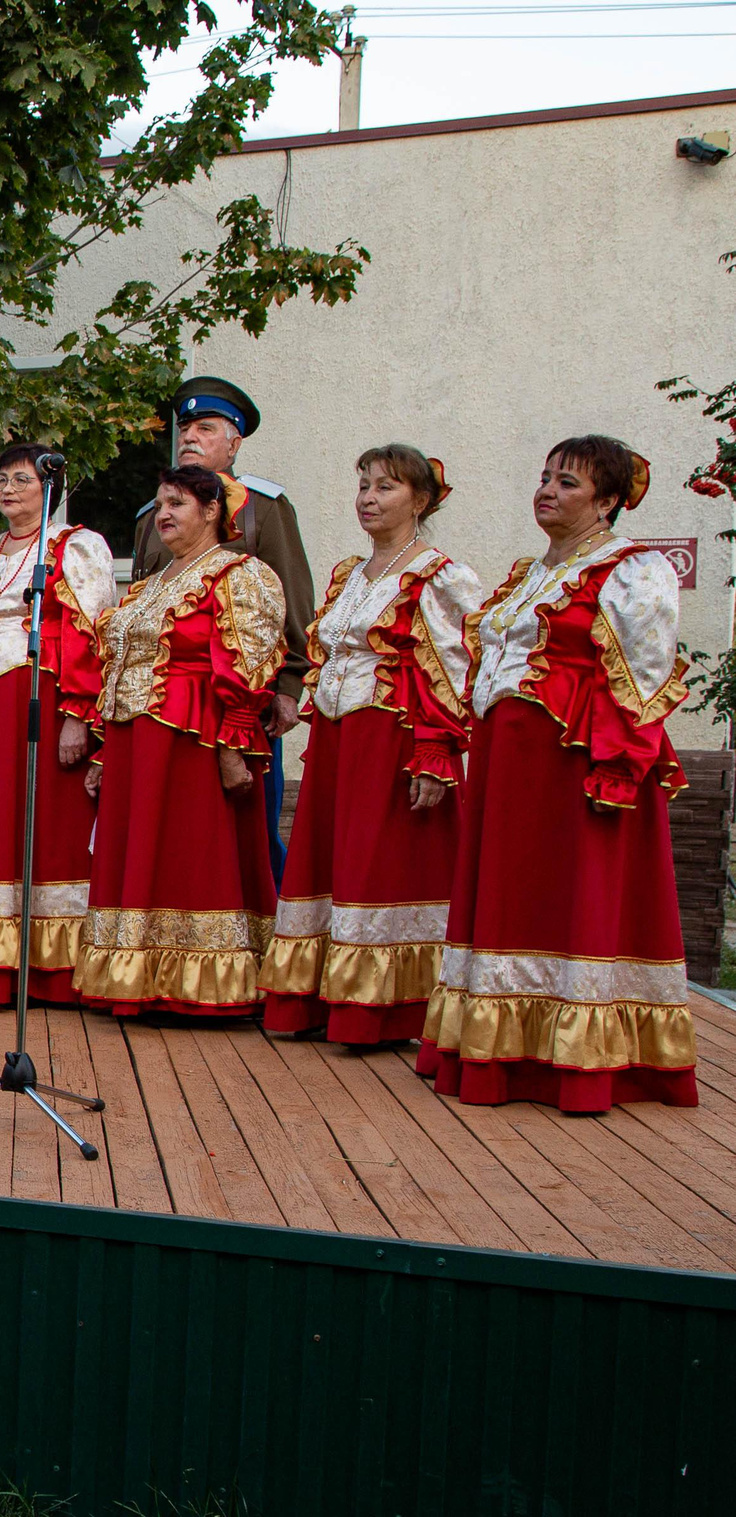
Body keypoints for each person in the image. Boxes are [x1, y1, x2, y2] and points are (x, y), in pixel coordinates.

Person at [421, 437, 696, 1111]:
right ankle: (501, 1048)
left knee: (576, 902)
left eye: (567, 483)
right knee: (513, 900)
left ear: (606, 501)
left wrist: (620, 770)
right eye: (545, 478)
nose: (547, 490)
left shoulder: (633, 570)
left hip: (574, 764)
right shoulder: (528, 574)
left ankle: (574, 1058)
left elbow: (645, 676)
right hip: (509, 769)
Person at [261, 448, 482, 1045]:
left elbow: (451, 668)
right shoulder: (350, 574)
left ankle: (382, 1010)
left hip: (392, 737)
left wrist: (437, 752)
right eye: (363, 485)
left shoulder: (439, 575)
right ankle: (316, 999)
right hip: (338, 736)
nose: (368, 497)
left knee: (379, 864)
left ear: (421, 499)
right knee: (333, 861)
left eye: (385, 487)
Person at [80, 467, 286, 1018]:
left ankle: (201, 985)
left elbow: (250, 659)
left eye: (177, 503)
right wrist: (105, 749)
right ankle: (137, 975)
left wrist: (233, 745)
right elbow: (121, 666)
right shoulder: (152, 583)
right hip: (135, 739)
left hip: (192, 738)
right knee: (139, 852)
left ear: (213, 509)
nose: (164, 515)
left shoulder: (239, 573)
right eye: (159, 504)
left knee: (192, 853)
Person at [0, 444, 116, 1006]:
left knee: (44, 821)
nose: (9, 489)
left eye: (23, 479)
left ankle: (53, 970)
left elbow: (87, 635)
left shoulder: (74, 546)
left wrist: (78, 715)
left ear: (49, 487)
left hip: (43, 695)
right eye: (2, 479)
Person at [131, 377, 318, 877]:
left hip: (237, 697)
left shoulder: (264, 506)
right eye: (185, 427)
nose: (189, 437)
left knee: (247, 826)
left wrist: (289, 686)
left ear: (234, 443)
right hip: (161, 700)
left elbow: (293, 598)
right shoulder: (153, 514)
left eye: (205, 428)